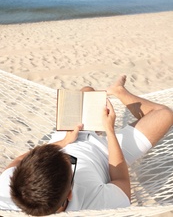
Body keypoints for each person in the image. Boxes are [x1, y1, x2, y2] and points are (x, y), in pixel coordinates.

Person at [0, 75, 173, 216]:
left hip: (67, 136)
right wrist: (109, 130)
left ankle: (102, 100)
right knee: (163, 114)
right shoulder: (95, 204)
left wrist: (63, 143)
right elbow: (121, 180)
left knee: (87, 92)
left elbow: (19, 159)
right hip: (107, 155)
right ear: (70, 193)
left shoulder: (11, 194)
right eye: (68, 162)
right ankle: (119, 92)